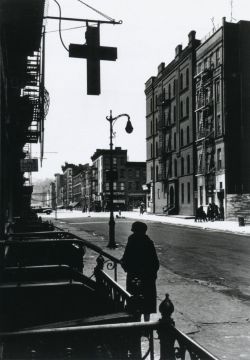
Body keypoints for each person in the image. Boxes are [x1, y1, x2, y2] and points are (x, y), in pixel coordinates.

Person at [121, 221, 160, 321]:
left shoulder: (132, 241)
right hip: (147, 277)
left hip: (134, 276)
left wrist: (125, 266)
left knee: (134, 301)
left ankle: (136, 322)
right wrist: (153, 274)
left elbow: (125, 259)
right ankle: (146, 325)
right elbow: (155, 262)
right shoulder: (148, 242)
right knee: (147, 302)